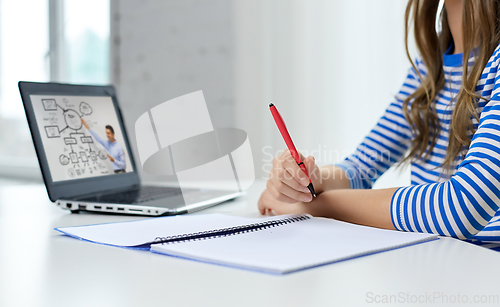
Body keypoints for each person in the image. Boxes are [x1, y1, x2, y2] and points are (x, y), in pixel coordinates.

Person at [258, 0, 500, 249]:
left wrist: (313, 207)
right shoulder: (430, 64)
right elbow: (361, 168)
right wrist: (309, 183)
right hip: (434, 264)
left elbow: (461, 207)